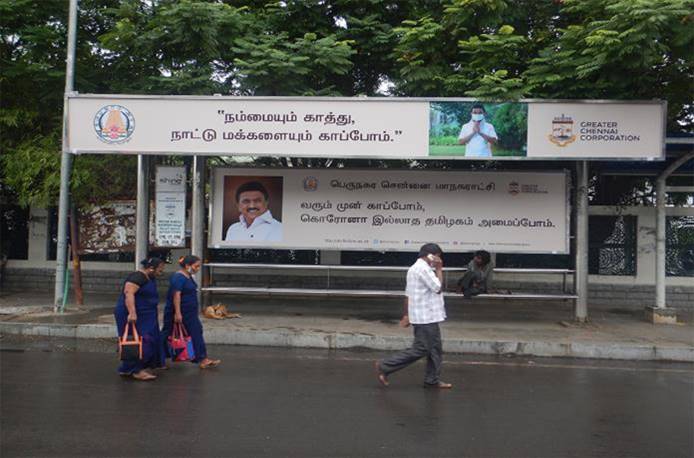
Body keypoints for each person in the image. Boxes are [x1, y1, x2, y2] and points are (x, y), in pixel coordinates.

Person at [375, 243, 452, 389]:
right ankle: (385, 366)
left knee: (435, 349)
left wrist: (407, 315)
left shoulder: (414, 269)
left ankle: (432, 380)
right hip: (426, 317)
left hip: (425, 316)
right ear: (431, 255)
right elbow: (438, 288)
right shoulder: (424, 269)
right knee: (421, 348)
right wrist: (439, 269)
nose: (438, 260)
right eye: (438, 257)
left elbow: (408, 295)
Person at [161, 255, 220, 369]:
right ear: (187, 266)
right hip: (181, 311)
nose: (197, 269)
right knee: (168, 334)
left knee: (196, 331)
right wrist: (178, 313)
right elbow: (176, 295)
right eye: (196, 266)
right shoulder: (178, 277)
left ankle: (202, 358)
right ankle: (158, 358)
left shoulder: (188, 276)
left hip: (189, 312)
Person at [114, 257, 166, 381]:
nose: (161, 272)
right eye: (160, 269)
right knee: (139, 341)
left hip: (146, 315)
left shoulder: (150, 278)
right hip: (134, 313)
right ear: (151, 268)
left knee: (148, 339)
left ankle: (128, 368)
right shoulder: (138, 277)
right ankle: (136, 370)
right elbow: (129, 293)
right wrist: (132, 313)